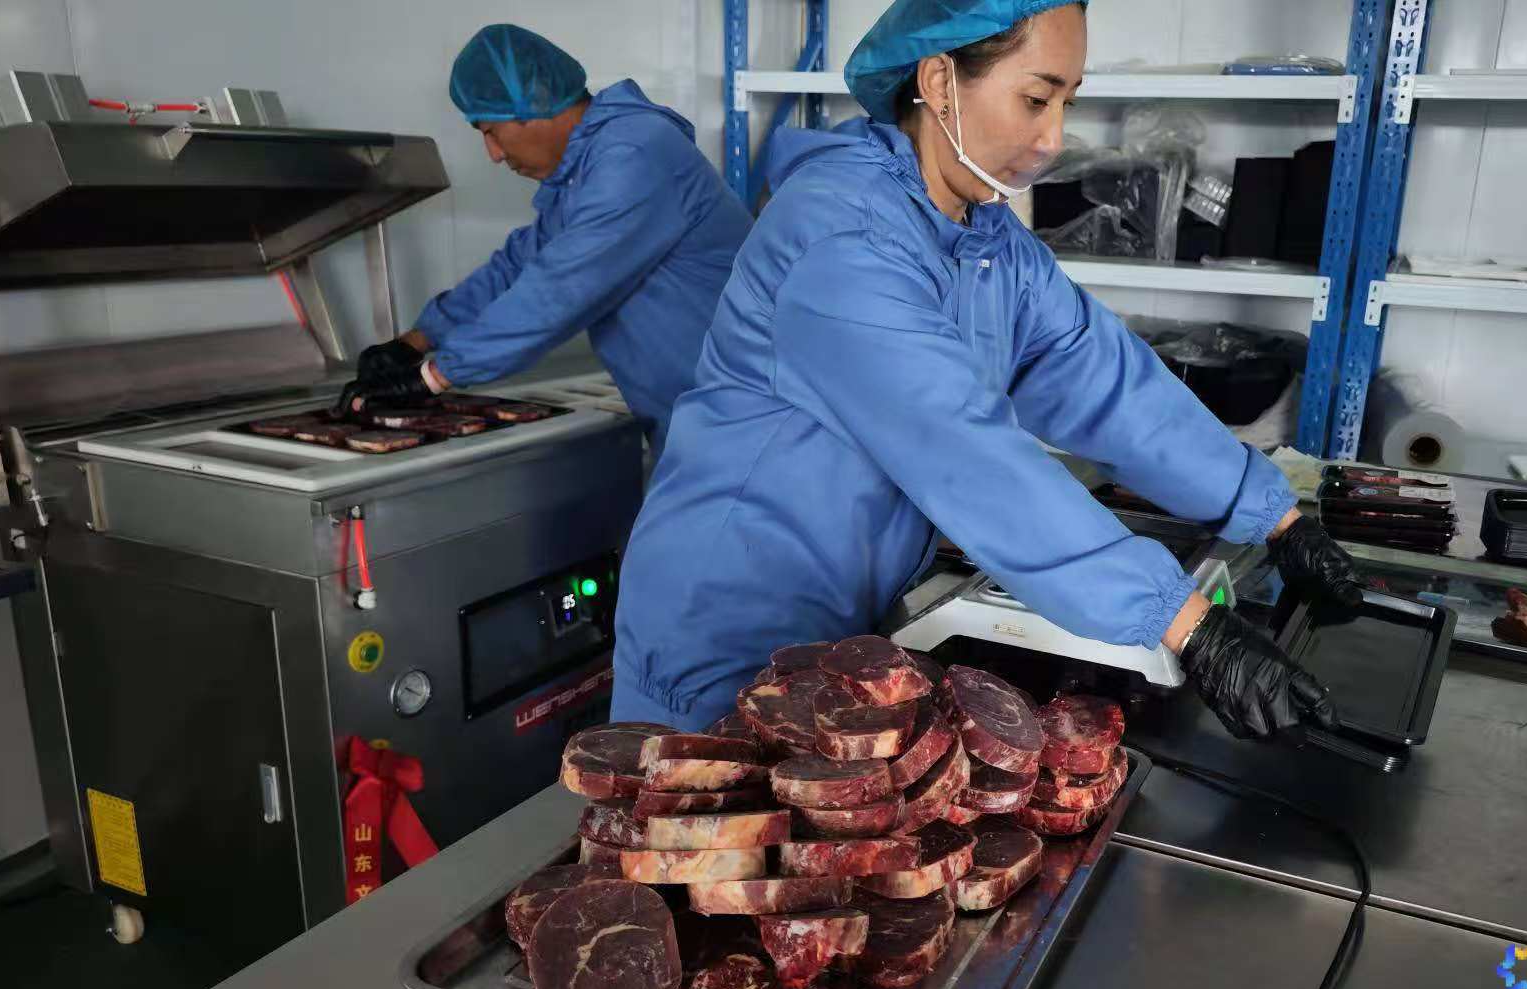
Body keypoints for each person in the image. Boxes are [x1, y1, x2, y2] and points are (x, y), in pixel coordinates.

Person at [611, 0, 1361, 735]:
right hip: (724, 625)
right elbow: (968, 453)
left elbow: (1103, 378)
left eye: (1066, 102)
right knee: (703, 812)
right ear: (939, 82)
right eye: (1035, 98)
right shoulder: (841, 239)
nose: (1053, 138)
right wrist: (1189, 626)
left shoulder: (985, 241)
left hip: (840, 619)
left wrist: (1274, 517)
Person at [340, 24, 753, 451]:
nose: (493, 155)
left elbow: (559, 290)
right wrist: (414, 343)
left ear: (534, 103)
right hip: (698, 423)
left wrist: (433, 376)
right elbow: (517, 266)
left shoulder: (634, 154)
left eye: (490, 131)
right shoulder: (586, 169)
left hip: (743, 422)